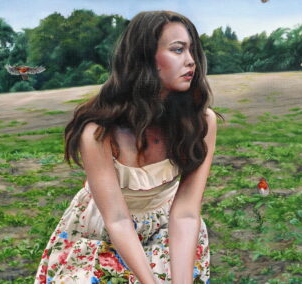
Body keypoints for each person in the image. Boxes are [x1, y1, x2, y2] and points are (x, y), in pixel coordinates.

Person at [34, 10, 223, 284]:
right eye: (178, 50)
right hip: (102, 230)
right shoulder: (99, 132)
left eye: (192, 50)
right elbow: (118, 219)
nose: (191, 61)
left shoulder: (202, 122)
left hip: (168, 227)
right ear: (144, 57)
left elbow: (185, 213)